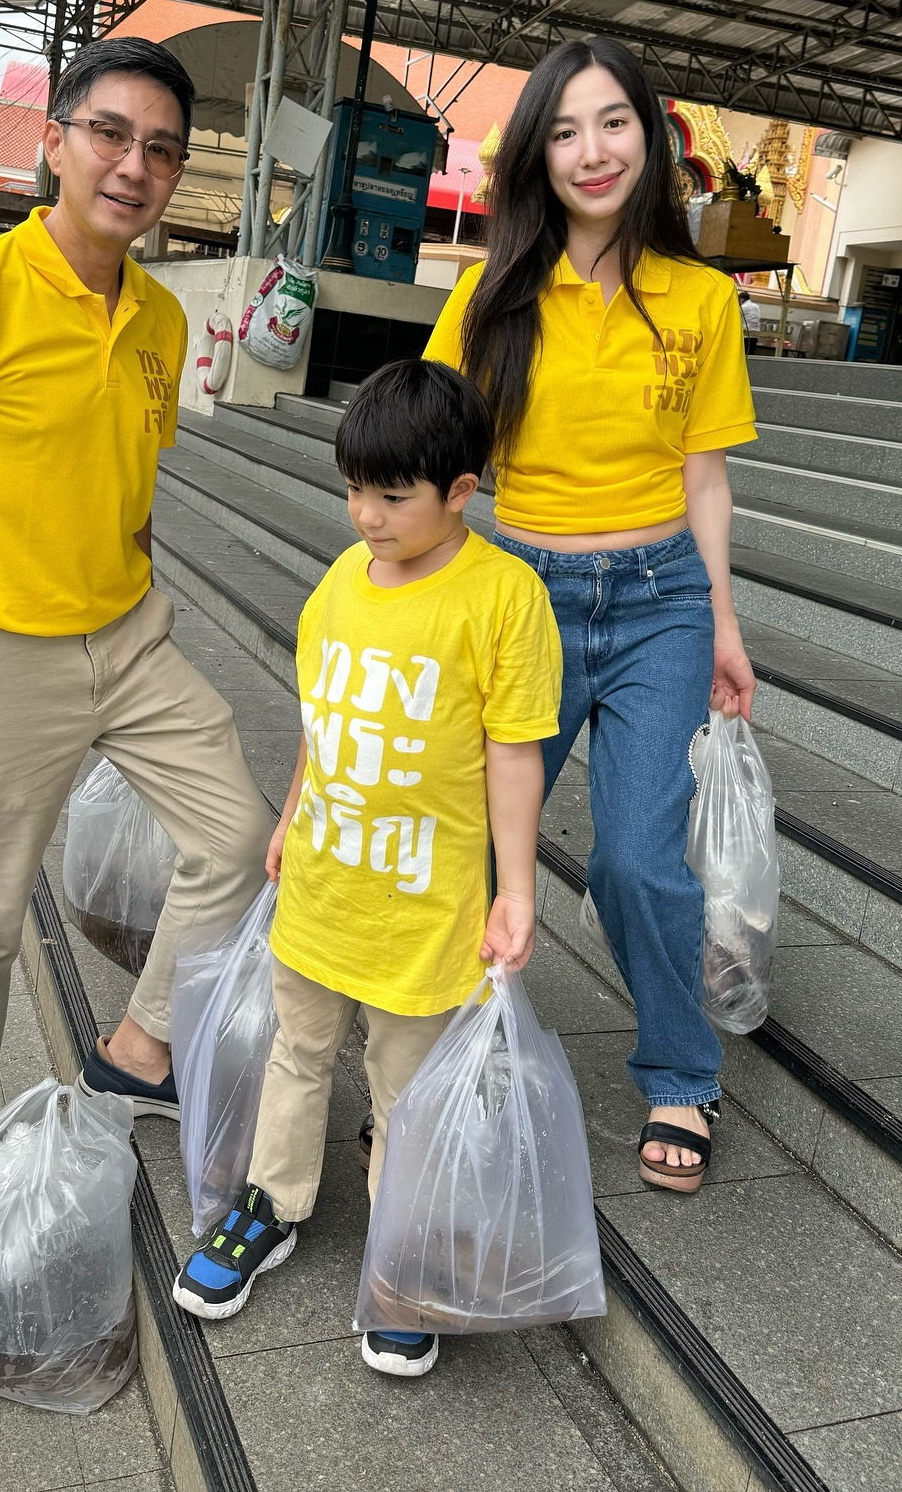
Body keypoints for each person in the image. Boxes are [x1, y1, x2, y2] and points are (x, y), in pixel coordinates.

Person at [0, 37, 275, 1216]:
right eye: (112, 135)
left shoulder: (161, 321)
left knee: (239, 834)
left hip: (127, 637)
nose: (135, 165)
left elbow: (129, 487)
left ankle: (136, 1050)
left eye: (163, 149)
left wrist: (129, 589)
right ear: (56, 141)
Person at [170, 360, 562, 1378]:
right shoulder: (344, 578)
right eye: (355, 491)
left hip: (425, 905)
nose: (368, 517)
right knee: (298, 1052)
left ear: (460, 492)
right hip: (324, 883)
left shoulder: (504, 597)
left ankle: (405, 1252)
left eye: (394, 498)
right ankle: (272, 1202)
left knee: (406, 1087)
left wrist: (515, 889)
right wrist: (294, 810)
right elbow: (321, 715)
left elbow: (515, 752)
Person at [424, 36, 758, 1196]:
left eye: (613, 122)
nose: (591, 150)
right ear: (535, 155)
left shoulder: (702, 299)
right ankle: (439, 1054)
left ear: (651, 141)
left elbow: (705, 476)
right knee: (463, 836)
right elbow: (436, 460)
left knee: (636, 861)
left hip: (662, 596)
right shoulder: (489, 297)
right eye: (563, 130)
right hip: (525, 596)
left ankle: (681, 1066)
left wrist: (721, 618)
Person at [739, 288, 762, 354]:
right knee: (751, 354)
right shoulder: (756, 306)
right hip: (755, 334)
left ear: (742, 299)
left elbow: (737, 318)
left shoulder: (744, 307)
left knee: (744, 354)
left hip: (746, 334)